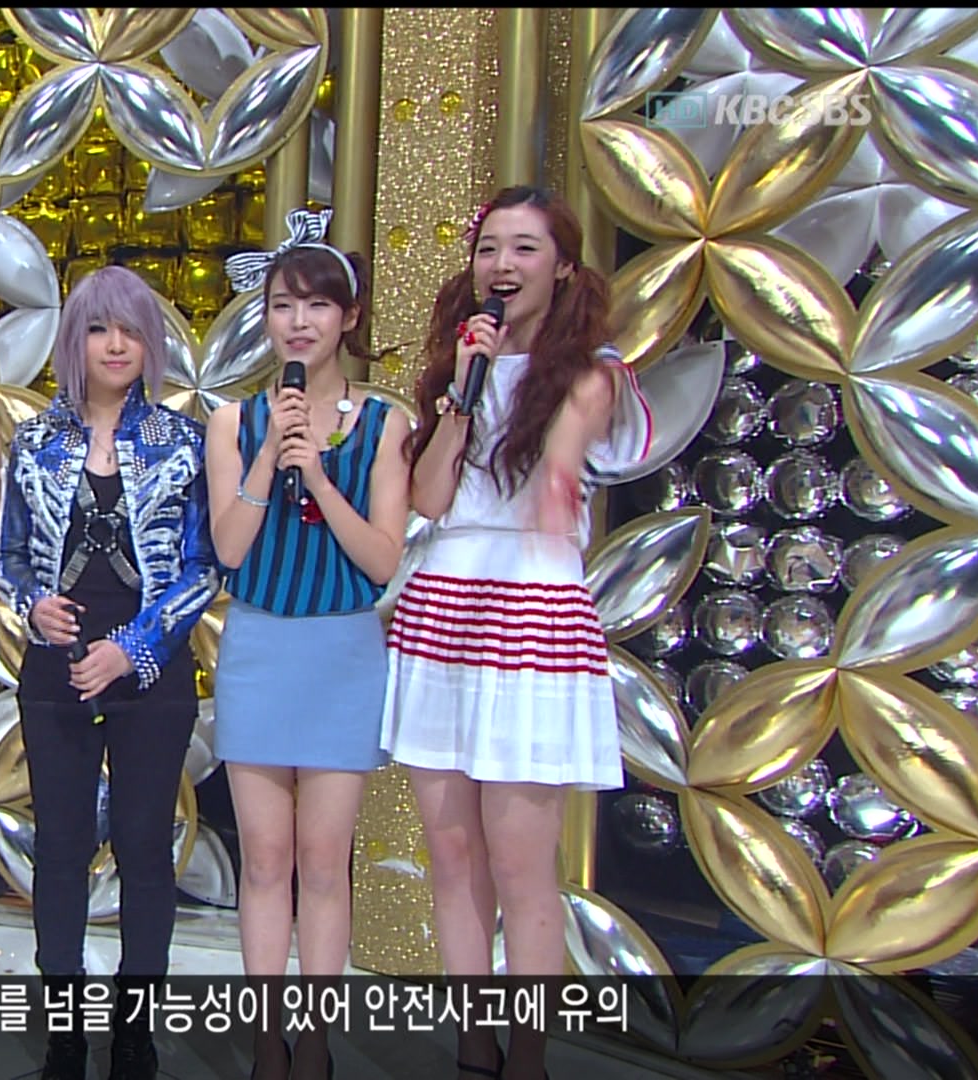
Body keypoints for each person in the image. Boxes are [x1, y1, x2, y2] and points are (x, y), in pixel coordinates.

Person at [380, 185, 651, 1080]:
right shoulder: (459, 366)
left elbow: (555, 488)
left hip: (531, 609)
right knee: (452, 851)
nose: (502, 265)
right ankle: (474, 1042)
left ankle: (529, 1053)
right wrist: (464, 389)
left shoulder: (590, 374)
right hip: (442, 603)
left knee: (522, 860)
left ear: (563, 267)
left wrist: (557, 478)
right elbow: (427, 499)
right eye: (490, 247)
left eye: (525, 248)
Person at [0, 266, 219, 1080]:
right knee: (59, 847)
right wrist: (33, 607)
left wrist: (136, 644)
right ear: (74, 341)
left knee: (144, 846)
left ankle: (135, 1028)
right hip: (55, 670)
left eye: (130, 330)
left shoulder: (185, 441)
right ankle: (64, 1028)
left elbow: (205, 564)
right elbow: (8, 555)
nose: (116, 344)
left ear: (150, 342)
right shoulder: (34, 441)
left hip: (151, 674)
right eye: (99, 329)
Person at [203, 208, 410, 1079]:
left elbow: (383, 561)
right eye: (283, 305)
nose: (299, 322)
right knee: (266, 859)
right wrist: (269, 457)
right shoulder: (234, 422)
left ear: (348, 317)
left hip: (342, 652)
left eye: (317, 305)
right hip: (259, 648)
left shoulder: (386, 425)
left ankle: (316, 1039)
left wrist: (318, 474)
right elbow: (229, 549)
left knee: (325, 863)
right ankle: (267, 1038)